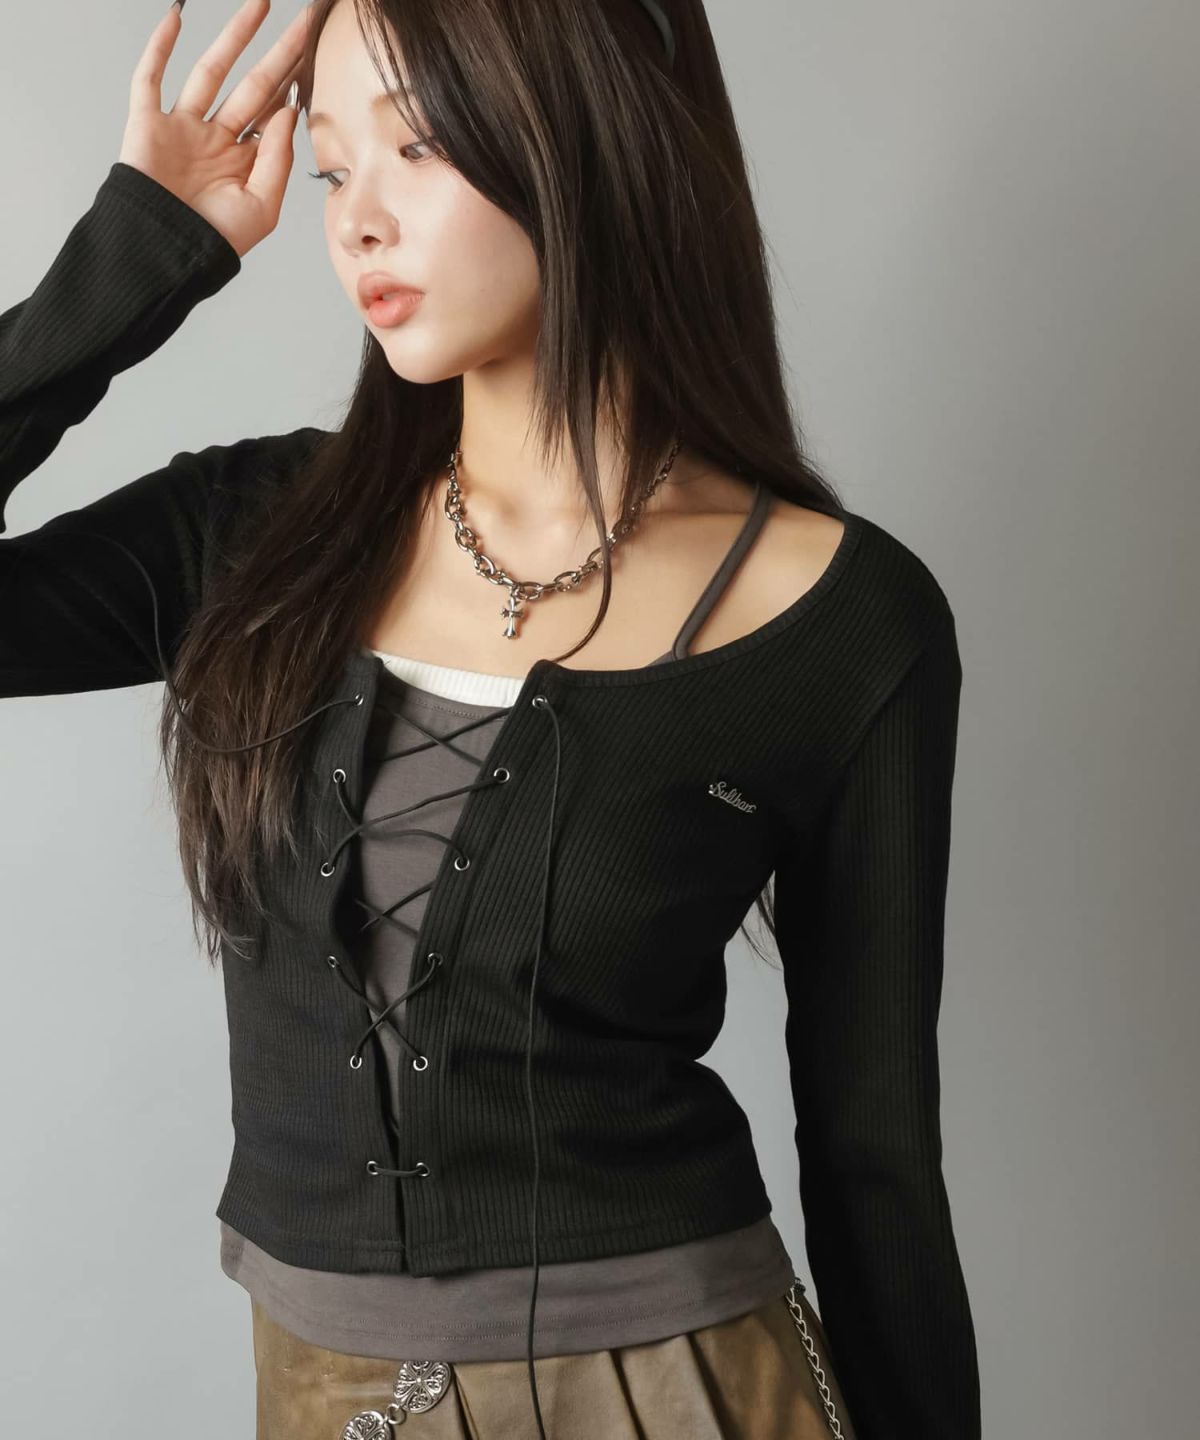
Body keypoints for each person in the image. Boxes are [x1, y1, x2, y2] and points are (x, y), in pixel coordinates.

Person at [0, 1, 981, 1436]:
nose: (358, 220)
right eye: (333, 168)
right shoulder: (258, 533)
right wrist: (142, 254)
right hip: (327, 1392)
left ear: (590, 137)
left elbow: (874, 1151)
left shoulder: (843, 620)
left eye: (419, 145)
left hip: (684, 1388)